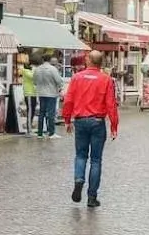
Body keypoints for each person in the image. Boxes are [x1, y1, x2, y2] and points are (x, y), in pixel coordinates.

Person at [62, 51, 119, 207]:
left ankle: (79, 179)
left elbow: (68, 100)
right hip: (97, 122)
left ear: (88, 61)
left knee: (80, 156)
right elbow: (111, 104)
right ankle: (92, 197)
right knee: (96, 160)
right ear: (100, 63)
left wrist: (67, 119)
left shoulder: (76, 78)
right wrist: (114, 125)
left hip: (80, 121)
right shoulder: (106, 80)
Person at [32, 54, 64, 139]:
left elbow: (34, 81)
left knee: (41, 113)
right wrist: (60, 87)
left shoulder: (37, 69)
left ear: (43, 60)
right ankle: (51, 133)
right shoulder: (53, 69)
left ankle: (40, 133)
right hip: (51, 93)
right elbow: (59, 81)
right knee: (51, 113)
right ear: (50, 60)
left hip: (41, 93)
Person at [21, 61, 38, 133]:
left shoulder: (30, 71)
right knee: (30, 111)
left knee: (33, 111)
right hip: (29, 93)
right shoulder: (25, 71)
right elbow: (32, 77)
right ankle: (29, 130)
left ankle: (30, 128)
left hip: (33, 93)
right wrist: (35, 70)